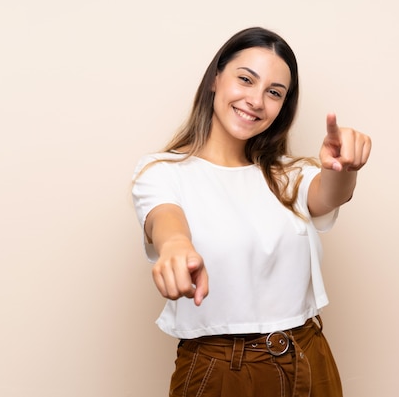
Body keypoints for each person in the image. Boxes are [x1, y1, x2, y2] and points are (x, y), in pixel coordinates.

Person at [131, 26, 371, 397]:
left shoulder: (287, 175)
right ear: (215, 79)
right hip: (222, 369)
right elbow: (165, 219)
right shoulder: (162, 172)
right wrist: (176, 246)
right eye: (246, 79)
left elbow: (330, 194)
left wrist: (345, 166)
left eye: (274, 93)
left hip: (309, 357)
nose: (257, 101)